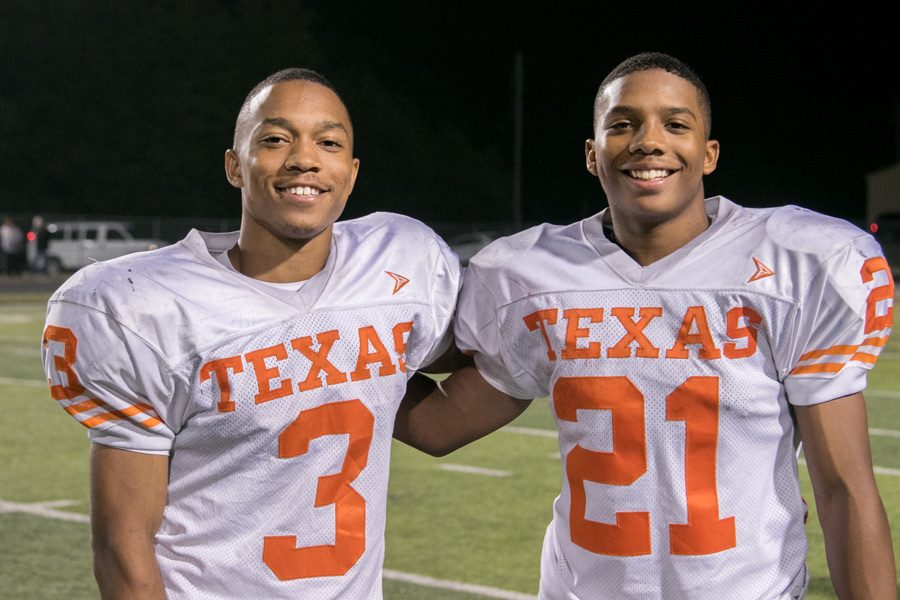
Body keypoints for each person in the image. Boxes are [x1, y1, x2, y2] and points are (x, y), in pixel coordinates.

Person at [395, 53, 896, 599]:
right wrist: (340, 342)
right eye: (622, 124)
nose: (648, 141)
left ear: (708, 154)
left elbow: (844, 489)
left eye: (675, 124)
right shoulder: (531, 276)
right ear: (592, 154)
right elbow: (439, 427)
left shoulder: (798, 264)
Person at [41, 68, 460, 599]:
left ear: (350, 173)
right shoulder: (144, 303)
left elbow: (452, 403)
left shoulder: (398, 264)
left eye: (327, 142)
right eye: (275, 139)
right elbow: (124, 547)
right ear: (235, 167)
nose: (304, 158)